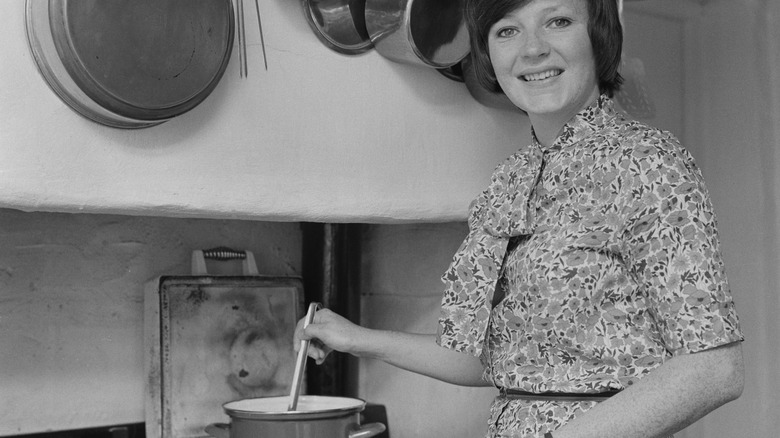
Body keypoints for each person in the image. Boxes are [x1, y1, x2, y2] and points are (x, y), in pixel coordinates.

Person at [294, 0, 745, 436]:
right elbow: (502, 360)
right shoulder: (511, 179)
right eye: (506, 30)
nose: (532, 49)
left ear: (598, 36)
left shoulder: (648, 163)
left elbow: (714, 369)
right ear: (489, 53)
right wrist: (358, 340)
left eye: (558, 21)